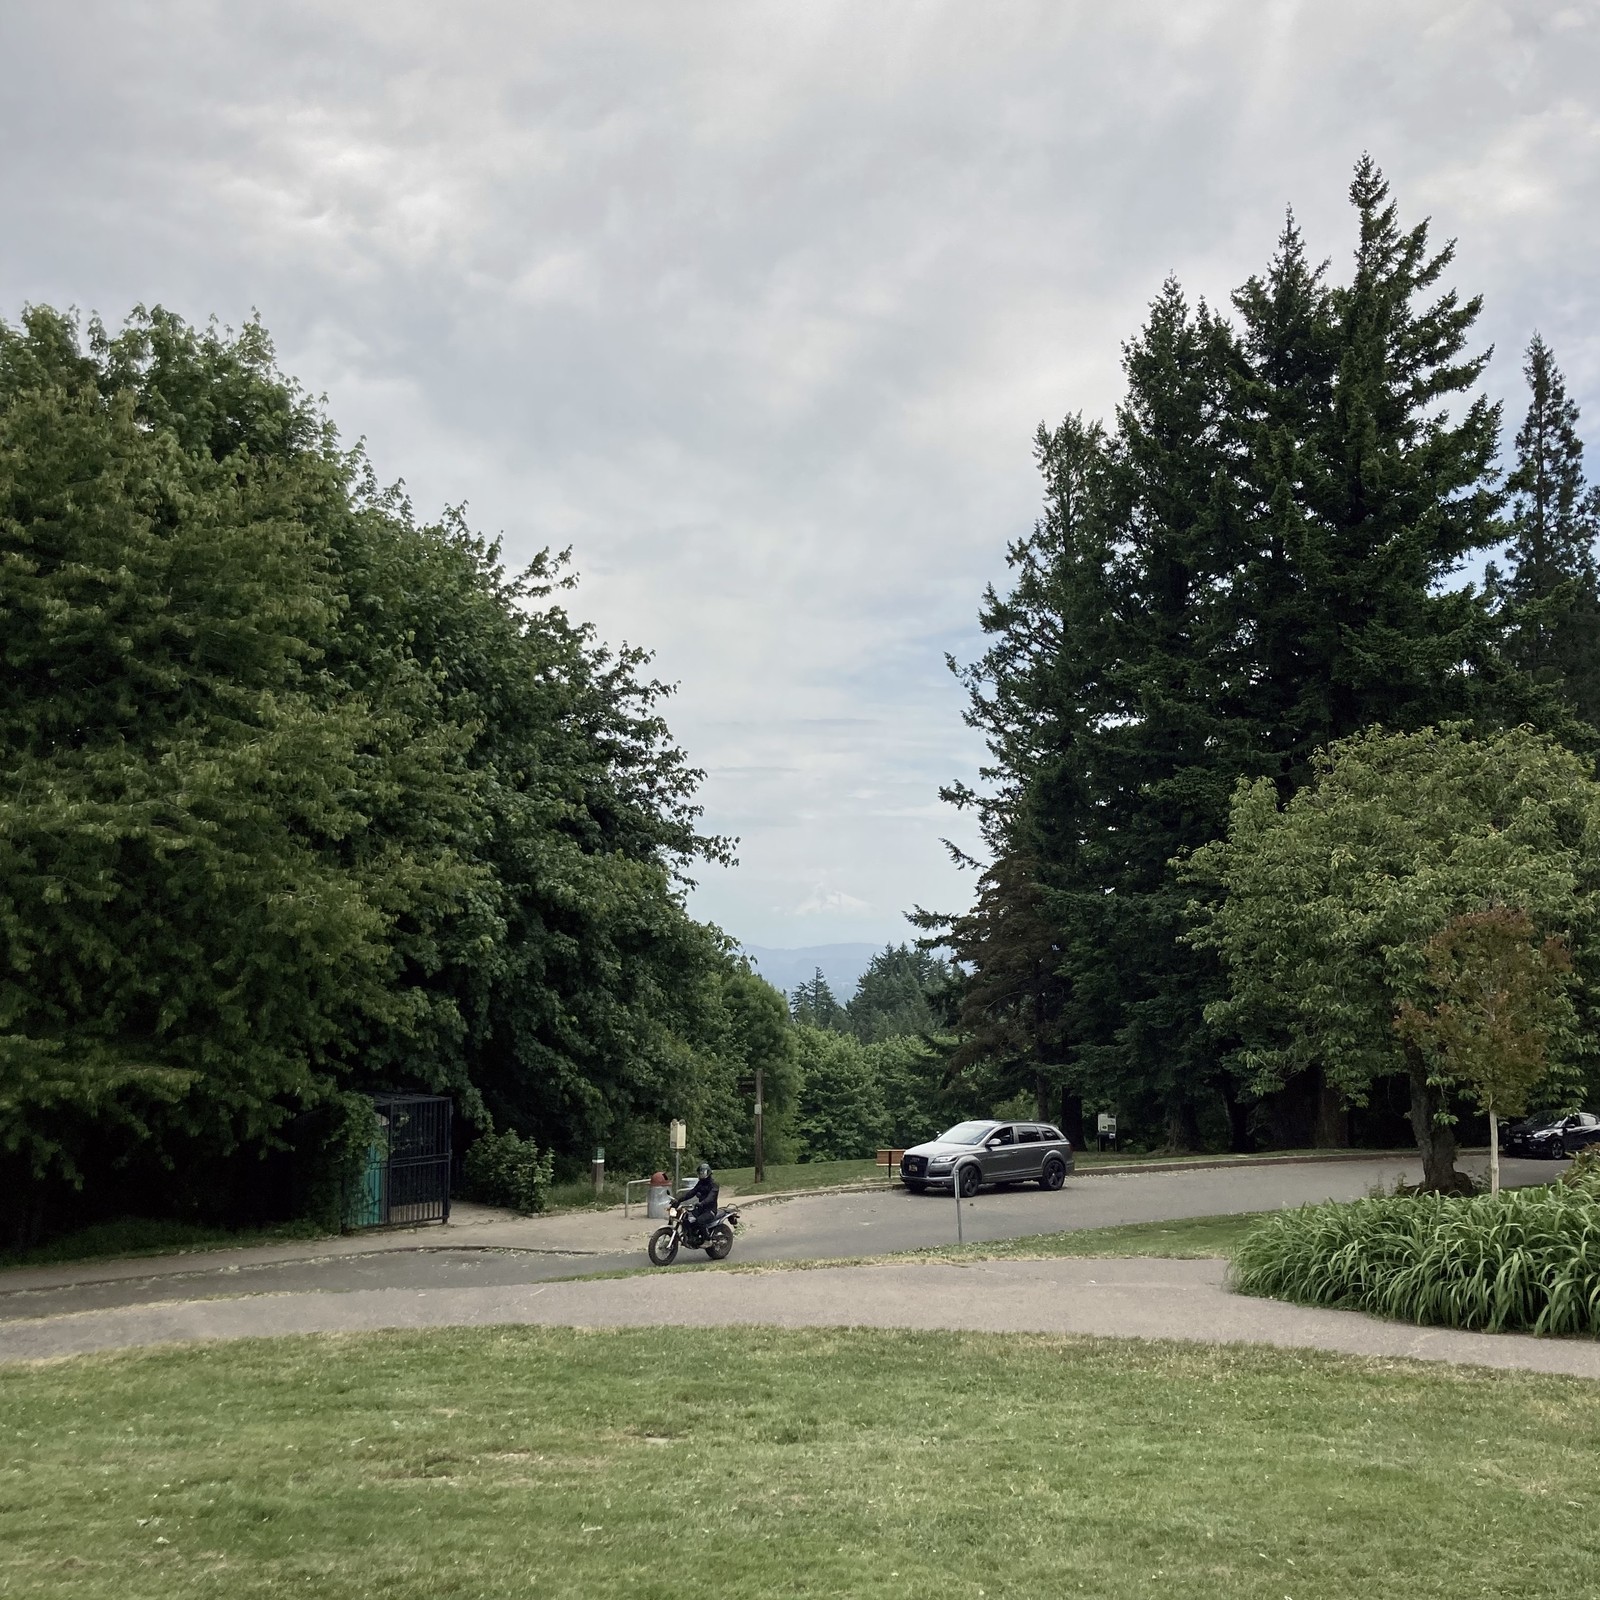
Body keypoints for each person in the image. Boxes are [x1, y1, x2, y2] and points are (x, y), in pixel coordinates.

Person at [678, 1161, 719, 1241]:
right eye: (700, 1173)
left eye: (703, 1173)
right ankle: (690, 1237)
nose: (701, 1174)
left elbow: (711, 1197)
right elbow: (692, 1192)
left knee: (700, 1221)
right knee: (686, 1217)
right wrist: (679, 1200)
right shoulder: (700, 1183)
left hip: (710, 1210)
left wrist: (702, 1203)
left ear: (708, 1173)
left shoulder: (714, 1184)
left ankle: (707, 1240)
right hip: (701, 1208)